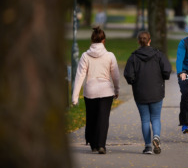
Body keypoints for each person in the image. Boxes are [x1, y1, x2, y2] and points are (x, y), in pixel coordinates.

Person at [72, 26, 120, 154]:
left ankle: (93, 144)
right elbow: (115, 75)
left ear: (91, 40)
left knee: (92, 117)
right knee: (103, 118)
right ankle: (101, 145)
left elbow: (80, 76)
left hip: (90, 91)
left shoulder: (85, 56)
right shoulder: (110, 56)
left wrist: (75, 96)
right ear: (104, 40)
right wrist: (116, 89)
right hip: (106, 91)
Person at [124, 31, 172, 154]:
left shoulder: (133, 57)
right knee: (156, 118)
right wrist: (163, 78)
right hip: (157, 91)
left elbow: (128, 75)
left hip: (140, 92)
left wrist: (133, 82)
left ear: (138, 41)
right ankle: (156, 136)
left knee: (145, 120)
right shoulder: (158, 55)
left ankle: (148, 146)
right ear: (149, 40)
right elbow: (167, 70)